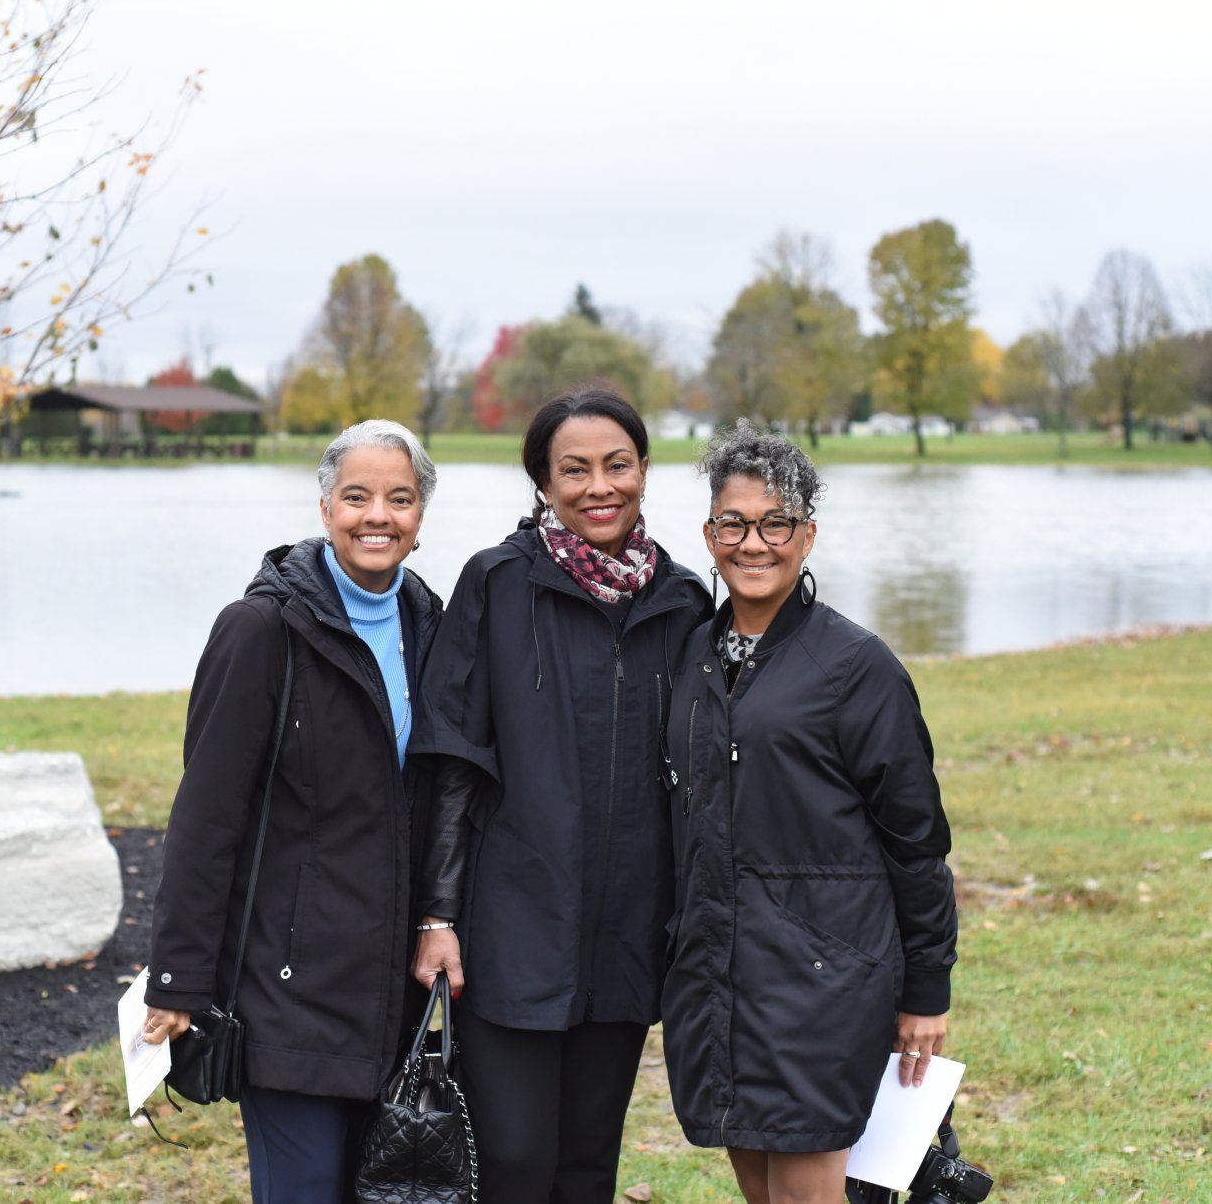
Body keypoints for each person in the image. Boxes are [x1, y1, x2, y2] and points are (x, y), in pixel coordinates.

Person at [410, 386, 713, 1204]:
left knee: (587, 1166)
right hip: (512, 932)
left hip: (626, 933)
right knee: (513, 1164)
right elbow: (452, 761)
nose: (598, 486)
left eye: (617, 465)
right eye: (572, 470)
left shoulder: (683, 601)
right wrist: (437, 918)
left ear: (646, 471)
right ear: (542, 482)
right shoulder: (497, 585)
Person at [142, 419, 445, 1204]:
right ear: (324, 508)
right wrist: (178, 978)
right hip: (289, 988)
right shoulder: (261, 630)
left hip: (395, 990)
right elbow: (206, 818)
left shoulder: (433, 627)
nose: (377, 515)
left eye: (399, 498)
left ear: (420, 516)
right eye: (356, 496)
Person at [663, 421, 958, 1204]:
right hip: (719, 977)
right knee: (758, 1187)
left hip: (822, 983)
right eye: (734, 522)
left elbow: (916, 839)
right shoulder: (694, 658)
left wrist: (926, 988)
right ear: (709, 532)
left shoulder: (856, 667)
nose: (753, 543)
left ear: (808, 535)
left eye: (776, 523)